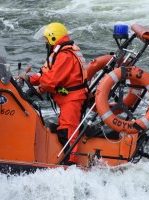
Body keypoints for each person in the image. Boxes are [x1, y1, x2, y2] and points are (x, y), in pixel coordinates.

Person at [20, 22, 88, 165]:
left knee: (68, 130)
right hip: (68, 98)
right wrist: (29, 79)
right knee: (65, 129)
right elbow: (45, 73)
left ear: (52, 38)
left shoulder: (64, 55)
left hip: (72, 99)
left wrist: (39, 88)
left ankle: (70, 164)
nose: (45, 43)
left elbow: (51, 81)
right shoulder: (60, 53)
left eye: (46, 40)